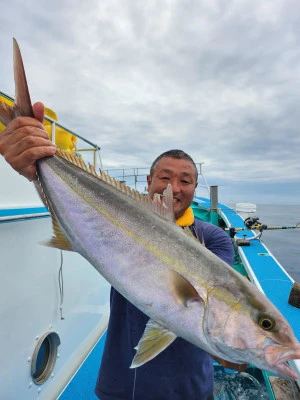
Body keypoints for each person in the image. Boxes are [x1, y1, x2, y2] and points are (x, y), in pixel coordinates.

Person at [0, 103, 246, 400]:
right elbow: (81, 220)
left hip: (191, 389)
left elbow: (213, 310)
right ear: (148, 182)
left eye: (185, 180)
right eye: (165, 177)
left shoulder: (213, 238)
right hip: (121, 384)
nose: (174, 188)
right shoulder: (122, 222)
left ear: (195, 188)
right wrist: (35, 170)